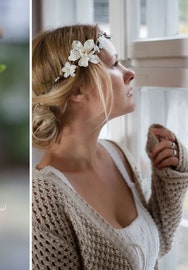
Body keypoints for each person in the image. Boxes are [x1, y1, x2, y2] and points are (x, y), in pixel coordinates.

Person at [32, 24, 188, 270]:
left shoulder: (116, 154)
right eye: (115, 64)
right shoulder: (43, 205)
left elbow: (150, 248)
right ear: (78, 91)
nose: (130, 73)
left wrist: (169, 176)